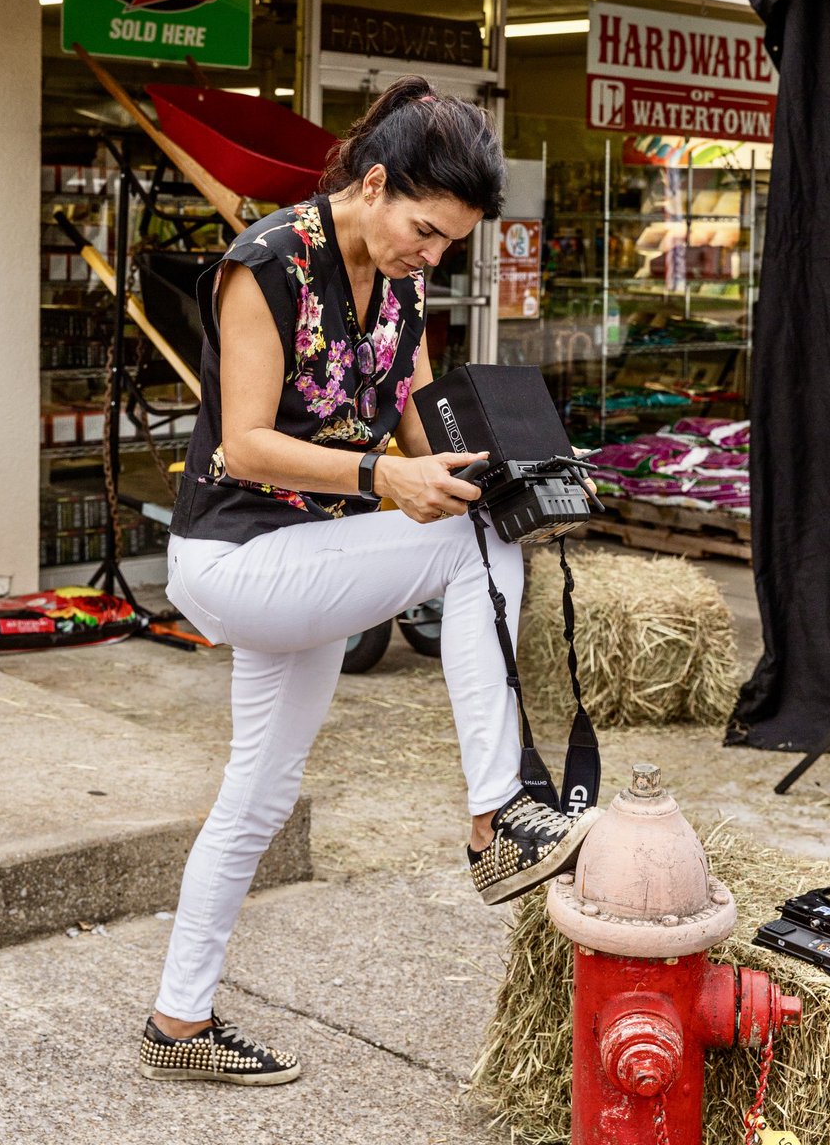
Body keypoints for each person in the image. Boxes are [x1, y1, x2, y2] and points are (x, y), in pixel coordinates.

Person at [139, 75, 599, 1087]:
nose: (430, 257)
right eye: (425, 232)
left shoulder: (402, 284)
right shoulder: (265, 263)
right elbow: (248, 446)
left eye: (447, 245)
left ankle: (177, 1024)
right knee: (472, 553)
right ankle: (495, 815)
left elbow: (421, 416)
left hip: (310, 560)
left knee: (257, 799)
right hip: (234, 558)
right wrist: (386, 480)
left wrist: (497, 470)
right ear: (377, 183)